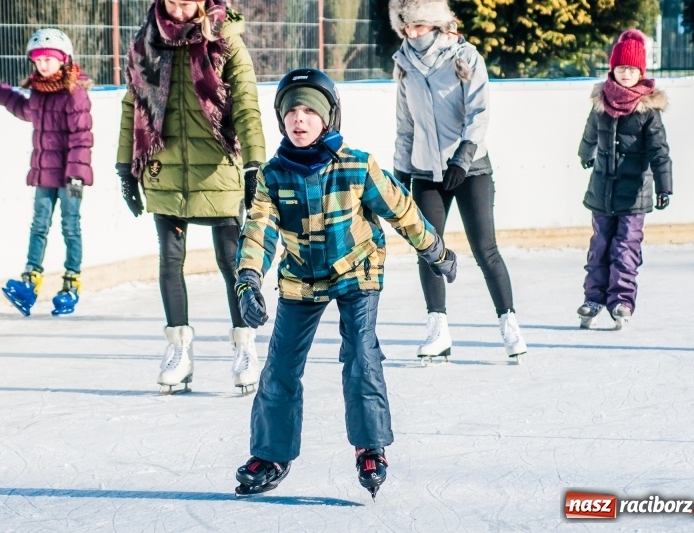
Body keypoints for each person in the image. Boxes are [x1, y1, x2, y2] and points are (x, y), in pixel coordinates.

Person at [232, 68, 458, 499]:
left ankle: (369, 446)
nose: (299, 120)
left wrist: (436, 251)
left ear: (328, 117)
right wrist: (247, 280)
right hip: (301, 279)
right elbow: (258, 230)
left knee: (360, 351)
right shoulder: (272, 176)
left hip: (356, 272)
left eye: (309, 112)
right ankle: (271, 454)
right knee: (279, 367)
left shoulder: (356, 165)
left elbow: (400, 208)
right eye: (291, 112)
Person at [116, 0, 266, 394]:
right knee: (169, 261)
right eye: (173, 2)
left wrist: (254, 165)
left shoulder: (226, 39)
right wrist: (124, 168)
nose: (180, 10)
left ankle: (245, 346)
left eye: (188, 2)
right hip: (163, 171)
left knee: (232, 263)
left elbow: (247, 106)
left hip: (217, 170)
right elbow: (132, 105)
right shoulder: (146, 42)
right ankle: (178, 350)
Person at [388, 0, 527, 363]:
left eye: (417, 26)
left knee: (486, 249)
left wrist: (463, 157)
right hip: (425, 172)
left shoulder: (465, 57)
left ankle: (509, 324)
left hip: (471, 169)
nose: (411, 34)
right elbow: (406, 127)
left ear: (433, 23)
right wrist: (401, 177)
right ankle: (438, 329)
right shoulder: (403, 65)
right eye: (405, 28)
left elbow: (479, 113)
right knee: (428, 249)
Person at [0, 28, 94, 317]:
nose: (43, 65)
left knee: (70, 227)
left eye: (49, 59)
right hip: (45, 174)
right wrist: (3, 94)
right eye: (37, 60)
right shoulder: (38, 91)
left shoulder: (75, 93)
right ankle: (29, 282)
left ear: (63, 59)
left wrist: (75, 175)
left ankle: (71, 284)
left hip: (71, 176)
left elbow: (82, 137)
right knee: (39, 226)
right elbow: (27, 111)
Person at [577, 29, 672, 330]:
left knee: (625, 248)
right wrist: (585, 153)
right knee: (600, 246)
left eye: (632, 69)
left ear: (641, 72)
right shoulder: (601, 102)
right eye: (621, 68)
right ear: (612, 69)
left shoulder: (648, 111)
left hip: (635, 195)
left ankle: (621, 301)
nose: (626, 73)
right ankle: (593, 298)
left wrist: (664, 185)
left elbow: (659, 151)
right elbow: (590, 132)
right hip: (602, 189)